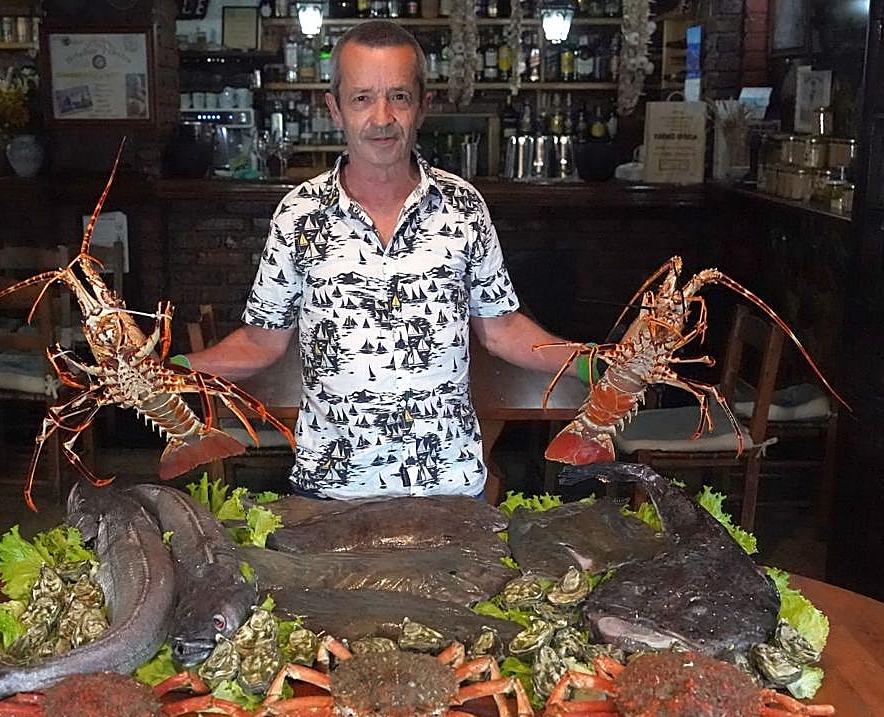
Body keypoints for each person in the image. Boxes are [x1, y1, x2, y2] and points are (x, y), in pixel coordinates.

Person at [186, 20, 585, 500]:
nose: (381, 118)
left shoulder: (464, 207)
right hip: (330, 490)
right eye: (361, 98)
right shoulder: (299, 214)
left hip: (448, 488)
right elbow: (259, 343)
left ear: (422, 107)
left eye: (398, 97)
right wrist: (174, 368)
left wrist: (595, 364)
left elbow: (501, 328)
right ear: (335, 109)